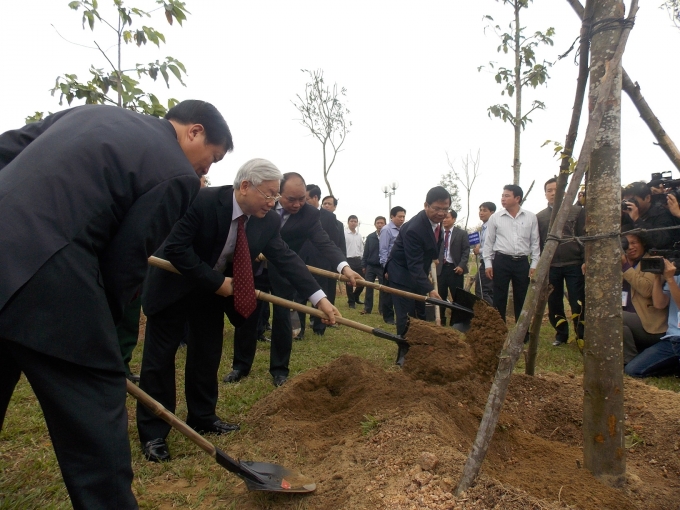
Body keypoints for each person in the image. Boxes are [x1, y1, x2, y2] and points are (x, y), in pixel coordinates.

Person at [0, 100, 232, 509]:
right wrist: (101, 344)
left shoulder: (88, 113)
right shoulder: (175, 174)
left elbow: (8, 148)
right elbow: (125, 265)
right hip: (50, 276)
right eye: (210, 158)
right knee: (95, 418)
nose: (206, 172)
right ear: (194, 131)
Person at [138, 161, 341, 463]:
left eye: (275, 197)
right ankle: (155, 431)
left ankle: (203, 416)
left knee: (207, 352)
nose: (273, 203)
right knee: (161, 358)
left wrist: (319, 299)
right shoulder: (204, 201)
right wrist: (217, 281)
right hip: (174, 285)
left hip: (211, 293)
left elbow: (286, 259)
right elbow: (176, 249)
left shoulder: (266, 221)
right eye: (269, 195)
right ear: (245, 186)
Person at [225, 173, 361, 386]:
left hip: (285, 272)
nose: (297, 204)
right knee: (248, 316)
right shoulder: (263, 204)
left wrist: (344, 267)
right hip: (254, 269)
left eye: (302, 199)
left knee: (283, 319)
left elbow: (324, 243)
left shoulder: (310, 215)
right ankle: (240, 366)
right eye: (291, 199)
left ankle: (279, 370)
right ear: (278, 193)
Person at [385, 187, 449, 365]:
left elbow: (432, 249)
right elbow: (413, 265)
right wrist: (430, 289)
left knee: (420, 312)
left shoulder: (437, 223)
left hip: (418, 273)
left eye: (445, 209)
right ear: (426, 205)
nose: (441, 213)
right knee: (405, 315)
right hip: (401, 274)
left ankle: (419, 350)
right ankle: (403, 354)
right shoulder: (415, 228)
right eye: (437, 208)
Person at [536, 178, 586, 346]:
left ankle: (581, 335)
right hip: (552, 266)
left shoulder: (577, 212)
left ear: (565, 192)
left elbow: (584, 237)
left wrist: (585, 259)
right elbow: (538, 242)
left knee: (577, 301)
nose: (552, 193)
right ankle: (561, 335)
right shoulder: (540, 217)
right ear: (545, 194)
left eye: (556, 190)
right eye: (549, 190)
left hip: (574, 263)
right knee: (554, 302)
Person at [483, 185, 540, 327]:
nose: (503, 198)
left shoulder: (530, 217)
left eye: (507, 196)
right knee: (499, 297)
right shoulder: (495, 218)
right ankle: (499, 329)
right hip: (501, 261)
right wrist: (488, 264)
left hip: (521, 262)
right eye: (502, 195)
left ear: (517, 198)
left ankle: (522, 332)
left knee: (522, 297)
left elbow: (535, 243)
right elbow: (488, 243)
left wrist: (534, 264)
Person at [625, 258, 680, 377]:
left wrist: (670, 279)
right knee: (632, 370)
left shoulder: (672, 279)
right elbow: (659, 304)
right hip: (671, 339)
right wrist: (657, 277)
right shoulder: (676, 277)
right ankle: (673, 367)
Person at [620, 233, 668, 364]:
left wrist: (625, 267)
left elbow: (647, 290)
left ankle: (630, 361)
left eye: (634, 243)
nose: (630, 247)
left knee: (617, 316)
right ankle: (628, 359)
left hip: (649, 324)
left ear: (643, 244)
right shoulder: (620, 262)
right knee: (617, 321)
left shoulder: (653, 261)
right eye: (626, 244)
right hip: (630, 322)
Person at [436, 210, 470, 325]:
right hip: (441, 269)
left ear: (454, 219)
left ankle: (455, 322)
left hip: (455, 269)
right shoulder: (438, 233)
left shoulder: (461, 233)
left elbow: (466, 251)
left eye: (447, 217)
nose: (444, 219)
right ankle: (441, 320)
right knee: (440, 295)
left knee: (457, 297)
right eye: (443, 217)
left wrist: (461, 265)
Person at [622, 181, 677, 249]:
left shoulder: (662, 213)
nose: (629, 203)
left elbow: (659, 241)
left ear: (647, 198)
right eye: (626, 201)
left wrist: (637, 220)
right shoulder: (627, 214)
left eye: (632, 200)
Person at [379, 206, 406, 325]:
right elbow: (383, 250)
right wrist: (386, 268)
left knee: (400, 292)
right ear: (392, 216)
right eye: (399, 216)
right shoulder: (386, 230)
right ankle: (388, 317)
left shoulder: (403, 229)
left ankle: (401, 315)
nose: (402, 219)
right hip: (390, 265)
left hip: (401, 266)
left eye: (403, 216)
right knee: (388, 293)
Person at [361, 216, 387, 315]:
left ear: (385, 224)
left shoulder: (387, 236)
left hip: (382, 267)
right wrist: (364, 265)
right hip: (370, 266)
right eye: (378, 223)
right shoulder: (370, 237)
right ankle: (367, 309)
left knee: (383, 288)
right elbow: (366, 252)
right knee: (368, 287)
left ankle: (382, 310)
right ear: (375, 224)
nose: (380, 225)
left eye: (382, 223)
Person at [473, 202, 496, 304]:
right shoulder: (483, 228)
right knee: (488, 291)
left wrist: (480, 250)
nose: (481, 213)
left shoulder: (492, 227)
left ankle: (491, 315)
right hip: (484, 261)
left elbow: (493, 246)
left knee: (482, 291)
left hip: (490, 262)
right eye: (480, 210)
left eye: (485, 210)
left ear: (492, 213)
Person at [345, 215, 365, 308]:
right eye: (351, 221)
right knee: (349, 281)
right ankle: (351, 302)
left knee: (362, 280)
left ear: (357, 223)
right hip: (348, 259)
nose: (353, 223)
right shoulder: (344, 233)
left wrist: (362, 259)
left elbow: (361, 248)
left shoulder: (359, 235)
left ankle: (356, 296)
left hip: (359, 260)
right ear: (348, 222)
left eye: (355, 221)